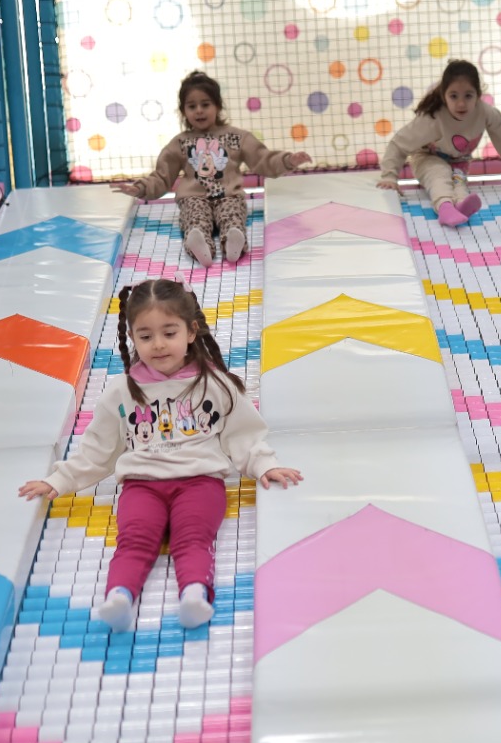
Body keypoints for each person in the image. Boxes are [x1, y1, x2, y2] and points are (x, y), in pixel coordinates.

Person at [18, 279, 302, 631]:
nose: (159, 344)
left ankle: (194, 595)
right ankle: (119, 598)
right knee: (134, 541)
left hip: (200, 483)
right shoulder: (122, 391)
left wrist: (264, 464)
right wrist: (58, 479)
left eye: (169, 333)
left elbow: (243, 434)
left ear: (191, 331)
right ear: (132, 338)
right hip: (142, 485)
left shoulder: (215, 384)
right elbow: (98, 448)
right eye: (146, 336)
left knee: (192, 538)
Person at [113, 70, 313, 265]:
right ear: (183, 111)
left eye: (205, 104)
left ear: (217, 106)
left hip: (228, 195)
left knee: (232, 215)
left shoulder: (236, 137)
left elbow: (262, 158)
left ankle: (234, 240)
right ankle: (200, 245)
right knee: (194, 218)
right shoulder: (180, 143)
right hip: (194, 198)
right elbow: (162, 176)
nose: (199, 110)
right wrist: (140, 188)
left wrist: (288, 160)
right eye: (192, 106)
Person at [376, 59, 501, 227]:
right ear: (444, 96)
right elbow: (399, 144)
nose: (461, 103)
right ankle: (444, 208)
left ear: (478, 95)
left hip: (459, 161)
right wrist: (389, 176)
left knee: (458, 181)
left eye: (468, 95)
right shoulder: (433, 118)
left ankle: (461, 205)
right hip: (427, 158)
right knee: (439, 174)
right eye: (453, 96)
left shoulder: (485, 113)